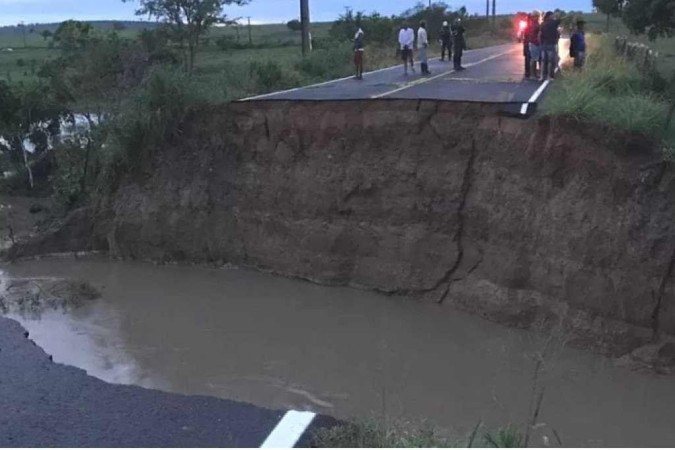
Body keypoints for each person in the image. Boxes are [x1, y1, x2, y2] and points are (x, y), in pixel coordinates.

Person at [539, 11, 560, 80]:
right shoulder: (554, 23)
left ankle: (541, 76)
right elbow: (559, 20)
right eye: (552, 15)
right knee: (550, 61)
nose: (553, 16)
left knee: (543, 61)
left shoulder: (542, 24)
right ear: (550, 16)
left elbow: (539, 35)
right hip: (551, 44)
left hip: (543, 44)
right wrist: (557, 16)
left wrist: (541, 43)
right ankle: (548, 76)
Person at [526, 11, 542, 79]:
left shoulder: (533, 24)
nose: (538, 17)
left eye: (538, 16)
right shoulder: (534, 24)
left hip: (534, 43)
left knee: (535, 59)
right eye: (537, 16)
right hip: (535, 43)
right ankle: (533, 75)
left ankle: (534, 74)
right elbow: (535, 35)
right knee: (534, 59)